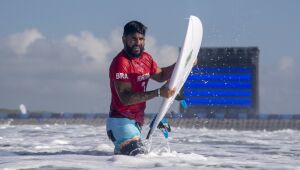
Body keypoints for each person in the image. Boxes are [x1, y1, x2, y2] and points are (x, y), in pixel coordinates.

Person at [107, 20, 176, 156]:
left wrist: (181, 64)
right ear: (124, 39)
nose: (138, 42)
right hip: (120, 122)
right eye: (133, 39)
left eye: (141, 39)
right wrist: (158, 92)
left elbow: (161, 75)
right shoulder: (121, 63)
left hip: (136, 123)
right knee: (139, 157)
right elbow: (125, 98)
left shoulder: (146, 58)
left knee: (129, 160)